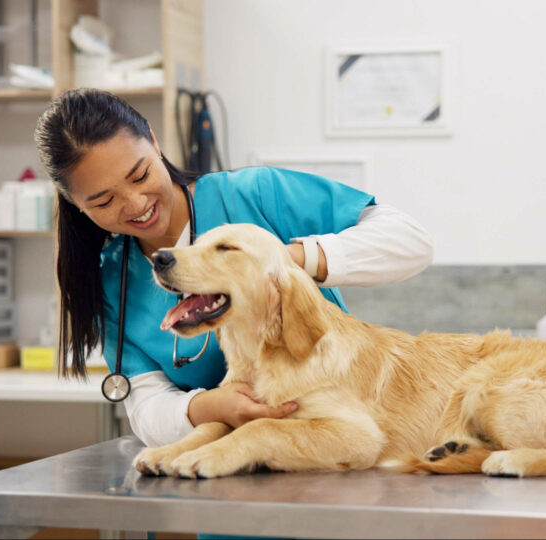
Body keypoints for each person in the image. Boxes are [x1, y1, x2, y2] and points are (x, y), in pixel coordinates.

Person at [34, 88, 433, 449]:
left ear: (154, 142)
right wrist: (208, 407)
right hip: (222, 476)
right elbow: (145, 406)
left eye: (140, 175)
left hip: (333, 450)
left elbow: (411, 242)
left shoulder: (253, 196)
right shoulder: (112, 281)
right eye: (104, 201)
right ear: (75, 203)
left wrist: (283, 262)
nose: (136, 203)